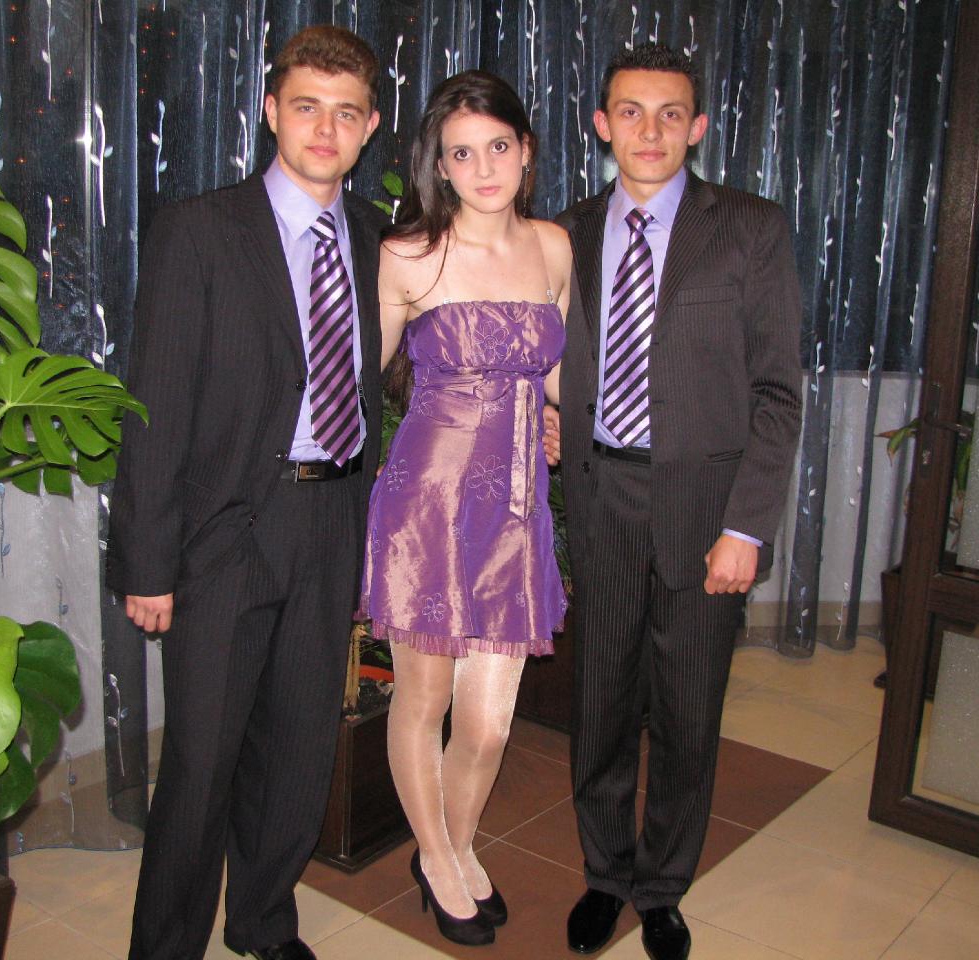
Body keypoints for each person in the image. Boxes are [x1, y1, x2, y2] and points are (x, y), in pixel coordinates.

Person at [106, 25, 387, 960]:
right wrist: (147, 563)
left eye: (345, 113)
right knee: (201, 766)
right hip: (224, 534)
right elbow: (154, 409)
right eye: (306, 107)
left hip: (332, 519)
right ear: (272, 111)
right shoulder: (200, 230)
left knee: (299, 751)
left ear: (369, 127)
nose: (324, 129)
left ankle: (263, 924)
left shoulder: (377, 239)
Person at [555, 44, 803, 960]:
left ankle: (662, 887)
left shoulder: (750, 228)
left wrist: (746, 526)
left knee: (689, 715)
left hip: (706, 511)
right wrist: (544, 421)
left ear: (697, 127)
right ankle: (604, 873)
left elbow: (777, 392)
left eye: (670, 114)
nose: (650, 131)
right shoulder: (565, 232)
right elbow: (542, 356)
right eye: (631, 111)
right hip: (600, 497)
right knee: (600, 705)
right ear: (602, 124)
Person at [356, 69, 570, 947]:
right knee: (425, 698)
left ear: (525, 151)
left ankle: (457, 837)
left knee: (486, 725)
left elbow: (556, 375)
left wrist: (560, 417)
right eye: (461, 154)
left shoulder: (553, 248)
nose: (483, 169)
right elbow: (357, 384)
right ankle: (440, 858)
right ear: (437, 166)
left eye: (498, 147)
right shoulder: (409, 254)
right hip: (429, 506)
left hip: (516, 509)